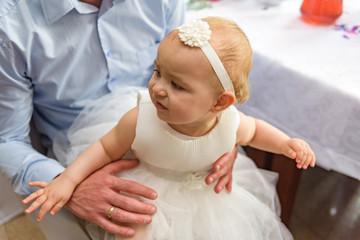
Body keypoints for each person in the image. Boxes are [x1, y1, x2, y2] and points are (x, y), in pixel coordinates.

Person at [23, 17, 315, 239]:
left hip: (205, 199)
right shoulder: (140, 119)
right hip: (146, 191)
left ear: (219, 103)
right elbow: (104, 147)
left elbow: (256, 132)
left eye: (176, 85)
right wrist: (67, 180)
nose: (158, 88)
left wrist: (286, 144)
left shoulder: (230, 123)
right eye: (158, 72)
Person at [0, 1, 238, 238]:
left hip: (177, 142)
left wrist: (222, 136)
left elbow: (197, 72)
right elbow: (7, 138)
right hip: (83, 160)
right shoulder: (10, 24)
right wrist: (66, 184)